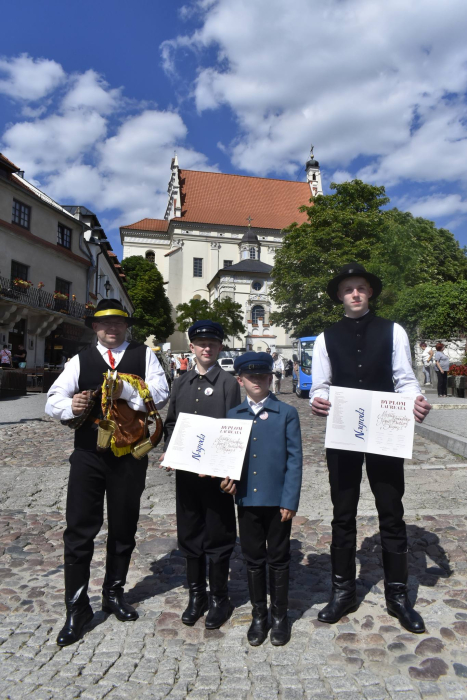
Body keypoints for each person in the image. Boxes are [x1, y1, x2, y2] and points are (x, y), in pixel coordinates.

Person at [310, 263, 431, 634]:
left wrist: (417, 400)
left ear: (370, 292)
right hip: (344, 432)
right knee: (343, 512)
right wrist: (317, 399)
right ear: (340, 296)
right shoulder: (325, 337)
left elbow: (404, 380)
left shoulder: (393, 331)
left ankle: (398, 595)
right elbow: (321, 384)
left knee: (391, 510)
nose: (355, 294)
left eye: (361, 287)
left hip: (384, 429)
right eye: (349, 289)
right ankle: (343, 591)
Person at [45, 299, 169, 647]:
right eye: (105, 324)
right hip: (88, 455)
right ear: (95, 327)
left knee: (124, 527)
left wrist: (126, 390)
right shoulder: (80, 360)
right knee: (78, 530)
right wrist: (71, 405)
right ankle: (77, 608)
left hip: (129, 455)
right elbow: (52, 399)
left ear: (126, 326)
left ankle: (113, 593)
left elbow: (160, 395)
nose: (112, 329)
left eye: (118, 323)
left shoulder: (144, 355)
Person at [161, 320, 241, 629]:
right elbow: (171, 423)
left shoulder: (228, 383)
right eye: (201, 344)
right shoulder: (181, 382)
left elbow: (235, 428)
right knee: (190, 532)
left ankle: (220, 598)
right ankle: (197, 596)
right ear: (192, 347)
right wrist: (170, 449)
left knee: (218, 535)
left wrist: (231, 471)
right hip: (187, 473)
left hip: (217, 475)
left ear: (220, 347)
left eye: (213, 344)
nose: (207, 348)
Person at [224, 352, 302, 646]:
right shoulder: (233, 415)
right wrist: (225, 481)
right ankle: (259, 615)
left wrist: (290, 500)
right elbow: (226, 459)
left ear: (271, 378)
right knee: (253, 559)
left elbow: (295, 460)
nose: (256, 381)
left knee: (279, 559)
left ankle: (280, 616)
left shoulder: (286, 413)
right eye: (250, 376)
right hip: (247, 500)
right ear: (240, 380)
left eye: (262, 376)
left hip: (277, 500)